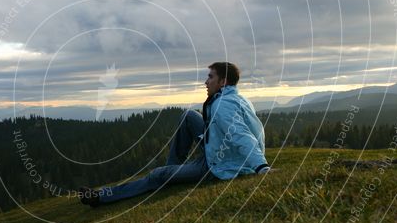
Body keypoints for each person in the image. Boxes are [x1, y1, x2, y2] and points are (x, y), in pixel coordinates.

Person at [79, 62, 269, 207]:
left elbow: (242, 136)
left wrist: (261, 167)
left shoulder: (223, 105)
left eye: (210, 77)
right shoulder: (236, 98)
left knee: (156, 175)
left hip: (220, 165)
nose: (206, 81)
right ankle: (174, 170)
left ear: (223, 82)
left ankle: (102, 196)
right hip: (224, 151)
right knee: (188, 116)